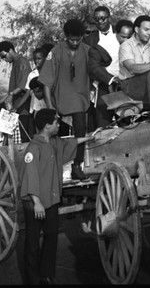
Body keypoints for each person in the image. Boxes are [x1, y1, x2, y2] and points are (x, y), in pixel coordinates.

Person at [19, 108, 94, 285]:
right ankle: (33, 280)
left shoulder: (54, 142)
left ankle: (46, 275)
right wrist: (36, 201)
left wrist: (89, 137)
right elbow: (30, 175)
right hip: (34, 203)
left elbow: (69, 144)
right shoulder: (33, 148)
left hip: (51, 200)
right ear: (47, 126)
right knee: (32, 243)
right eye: (56, 122)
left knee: (51, 237)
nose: (58, 125)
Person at [38, 19, 91, 181]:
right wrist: (50, 108)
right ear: (65, 37)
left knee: (81, 128)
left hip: (81, 100)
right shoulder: (55, 52)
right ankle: (51, 167)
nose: (75, 43)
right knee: (55, 135)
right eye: (71, 40)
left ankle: (77, 165)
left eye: (78, 39)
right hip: (59, 100)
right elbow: (46, 82)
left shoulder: (88, 50)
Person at [84, 6, 121, 128]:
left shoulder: (120, 32)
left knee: (124, 119)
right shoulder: (90, 39)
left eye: (103, 18)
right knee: (103, 120)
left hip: (123, 81)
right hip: (102, 83)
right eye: (97, 19)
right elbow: (91, 65)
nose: (100, 21)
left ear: (109, 18)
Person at [0, 41, 33, 142]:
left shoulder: (22, 62)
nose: (3, 59)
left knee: (24, 138)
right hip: (14, 104)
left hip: (22, 106)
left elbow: (23, 86)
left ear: (10, 51)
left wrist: (11, 95)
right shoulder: (15, 63)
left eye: (4, 56)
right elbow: (11, 91)